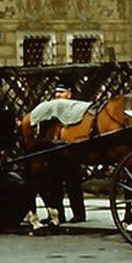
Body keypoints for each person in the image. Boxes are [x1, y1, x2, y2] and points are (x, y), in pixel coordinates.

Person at [52, 86, 87, 224]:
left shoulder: (76, 108)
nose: (58, 95)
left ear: (69, 94)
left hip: (72, 149)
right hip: (57, 149)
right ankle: (58, 213)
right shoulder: (54, 110)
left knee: (73, 181)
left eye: (61, 92)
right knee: (55, 183)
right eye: (56, 93)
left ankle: (78, 213)